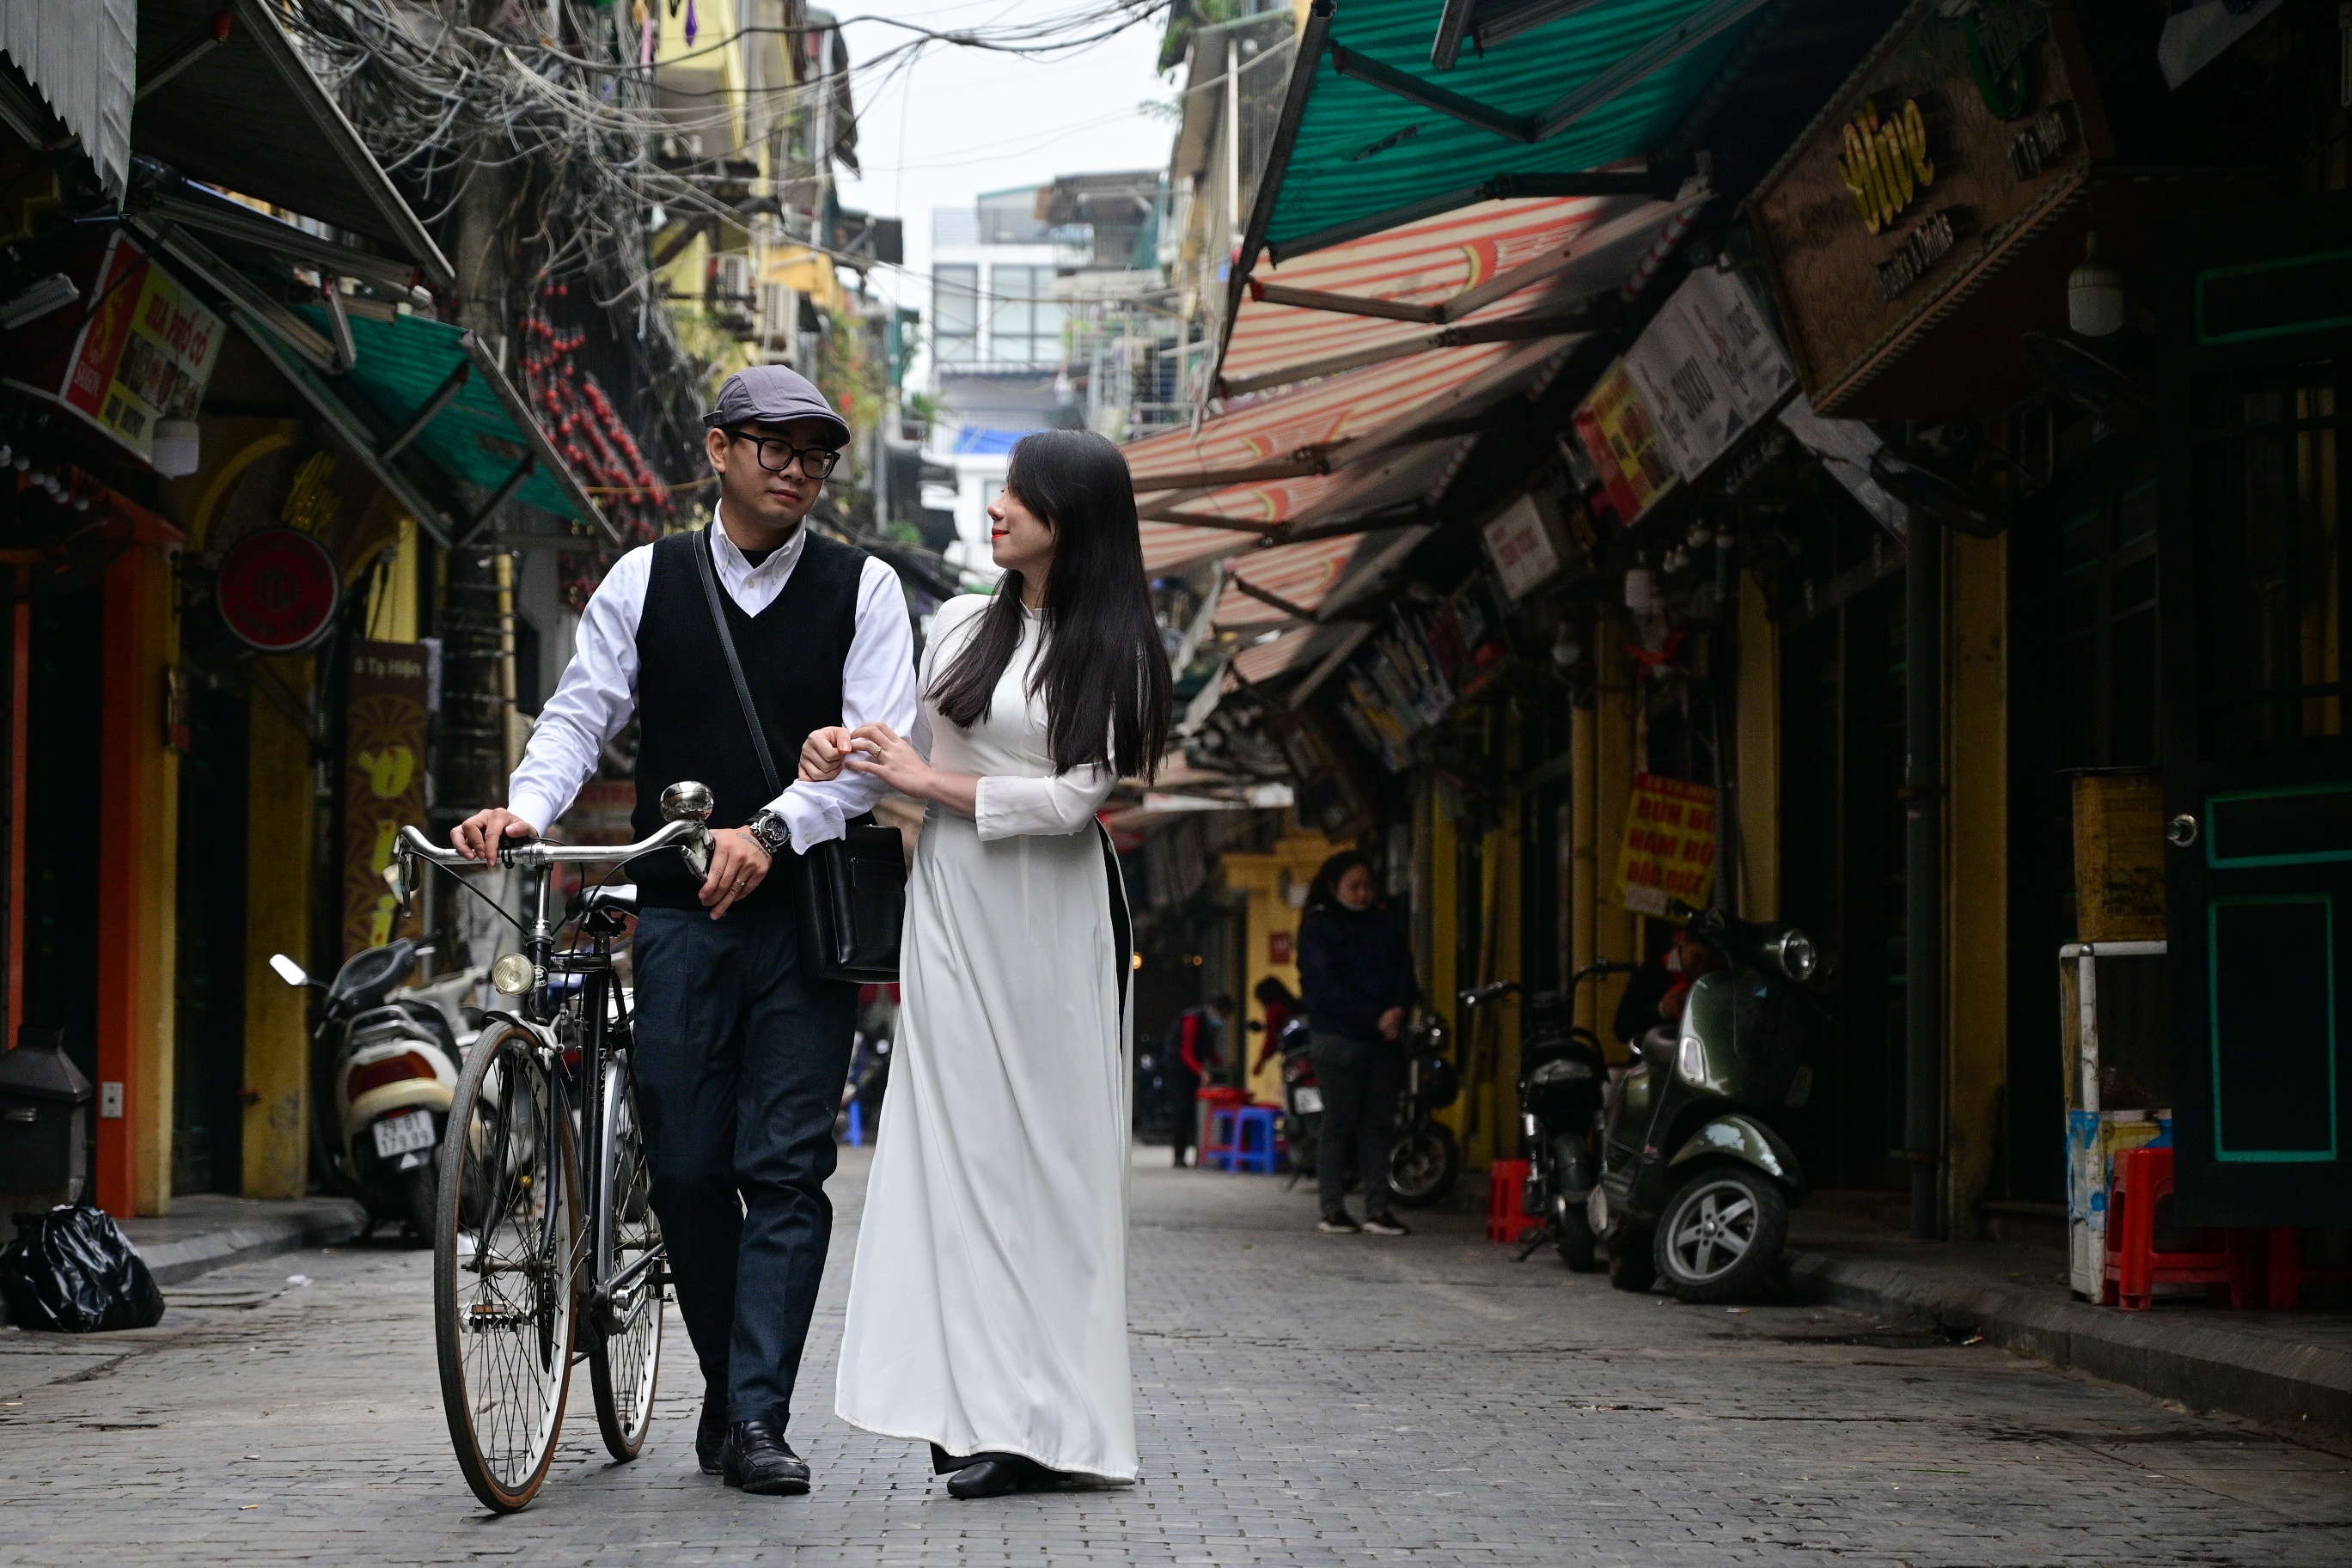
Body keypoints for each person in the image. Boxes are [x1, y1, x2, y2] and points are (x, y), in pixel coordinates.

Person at [451, 365, 918, 1498]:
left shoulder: (864, 589)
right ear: (719, 450)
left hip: (809, 925)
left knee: (787, 1167)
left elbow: (873, 753)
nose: (798, 470)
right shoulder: (641, 578)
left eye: (817, 455)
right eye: (775, 447)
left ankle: (755, 1414)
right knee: (690, 1163)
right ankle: (729, 1386)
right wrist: (527, 804)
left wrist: (774, 825)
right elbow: (579, 715)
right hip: (675, 921)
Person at [819, 428, 1172, 1500]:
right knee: (956, 1153)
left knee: (1052, 1168)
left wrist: (926, 782)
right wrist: (844, 750)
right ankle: (975, 1406)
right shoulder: (961, 622)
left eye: (1023, 492)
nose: (1000, 503)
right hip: (954, 903)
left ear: (1073, 515)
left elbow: (1073, 800)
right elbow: (903, 746)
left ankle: (1054, 1419)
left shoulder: (1112, 641)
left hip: (1054, 913)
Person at [1295, 851, 1419, 1237]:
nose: (1364, 893)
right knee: (1338, 1122)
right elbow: (1323, 987)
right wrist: (1374, 1017)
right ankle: (1332, 1209)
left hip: (1385, 1039)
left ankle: (1378, 1209)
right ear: (1335, 888)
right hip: (1338, 1038)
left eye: (1368, 886)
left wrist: (1399, 1009)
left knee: (1379, 1125)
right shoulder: (1319, 927)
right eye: (1355, 886)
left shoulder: (1385, 923)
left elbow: (1405, 971)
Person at [1612, 924, 1725, 1050]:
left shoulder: (1717, 977)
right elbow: (1622, 1029)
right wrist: (1661, 1010)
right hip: (1655, 1059)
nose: (1702, 967)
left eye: (1710, 960)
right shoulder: (1652, 971)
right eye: (1696, 957)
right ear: (1683, 940)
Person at [1165, 994, 1233, 1168]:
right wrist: (1202, 1072)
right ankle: (1179, 1156)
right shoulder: (1193, 1019)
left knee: (1196, 1113)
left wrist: (1221, 1066)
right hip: (1179, 1068)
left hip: (1193, 1068)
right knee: (1182, 1110)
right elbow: (1186, 1052)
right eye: (1224, 1015)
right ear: (1217, 1010)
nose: (1224, 1020)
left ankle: (1199, 1155)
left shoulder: (1211, 1024)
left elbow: (1209, 1049)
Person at [1249, 975, 1302, 1076]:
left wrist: (1261, 1062)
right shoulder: (1295, 1006)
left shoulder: (1274, 1010)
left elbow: (1272, 1040)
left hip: (1295, 1057)